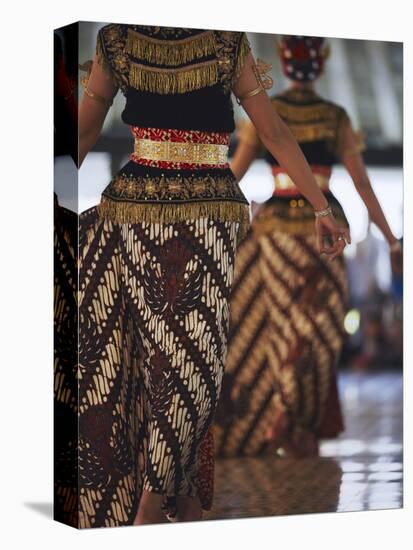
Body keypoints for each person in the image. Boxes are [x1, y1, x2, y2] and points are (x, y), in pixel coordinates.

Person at [76, 24, 349, 527]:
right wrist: (320, 206)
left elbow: (87, 128)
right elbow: (271, 133)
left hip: (163, 210)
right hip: (187, 214)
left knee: (181, 360)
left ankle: (172, 498)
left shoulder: (128, 38)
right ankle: (154, 504)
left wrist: (319, 205)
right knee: (188, 361)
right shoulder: (213, 40)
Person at [213, 35, 402, 459]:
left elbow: (233, 174)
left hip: (277, 234)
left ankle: (285, 415)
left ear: (283, 62)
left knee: (283, 330)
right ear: (321, 64)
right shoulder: (335, 116)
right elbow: (362, 184)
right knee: (322, 332)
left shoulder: (270, 112)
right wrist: (390, 239)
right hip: (326, 231)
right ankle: (290, 416)